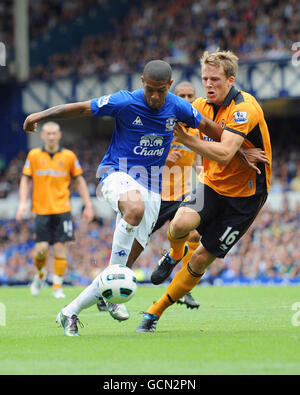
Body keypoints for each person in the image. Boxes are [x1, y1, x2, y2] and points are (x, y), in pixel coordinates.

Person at [23, 59, 268, 336]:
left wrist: (241, 151)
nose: (154, 96)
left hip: (152, 188)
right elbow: (81, 107)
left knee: (125, 268)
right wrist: (40, 115)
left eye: (160, 91)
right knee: (134, 211)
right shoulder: (124, 102)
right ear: (142, 83)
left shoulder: (179, 107)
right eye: (150, 89)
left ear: (169, 87)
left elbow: (215, 131)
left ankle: (69, 312)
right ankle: (113, 283)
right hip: (118, 172)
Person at [136, 50, 272, 333]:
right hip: (210, 184)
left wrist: (187, 139)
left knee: (201, 258)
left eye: (215, 79)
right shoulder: (200, 104)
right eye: (204, 79)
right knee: (179, 224)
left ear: (230, 80)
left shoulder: (245, 108)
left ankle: (154, 311)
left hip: (245, 199)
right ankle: (174, 254)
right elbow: (165, 120)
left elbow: (222, 153)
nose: (208, 84)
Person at [16, 121, 94, 298]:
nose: (51, 136)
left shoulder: (69, 156)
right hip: (41, 210)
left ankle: (57, 286)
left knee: (60, 248)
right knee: (41, 250)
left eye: (54, 133)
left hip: (62, 209)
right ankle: (41, 275)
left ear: (59, 135)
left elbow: (80, 180)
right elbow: (25, 179)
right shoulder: (34, 155)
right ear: (42, 135)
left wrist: (88, 204)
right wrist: (22, 203)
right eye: (48, 133)